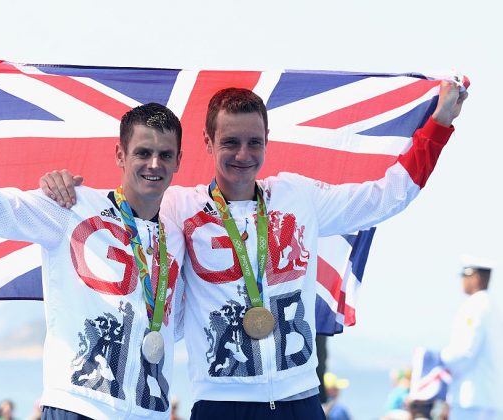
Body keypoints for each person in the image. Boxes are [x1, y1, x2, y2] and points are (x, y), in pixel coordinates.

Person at [43, 79, 466, 419]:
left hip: (299, 396)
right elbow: (128, 202)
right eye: (230, 143)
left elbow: (386, 196)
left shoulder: (298, 198)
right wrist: (63, 186)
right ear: (208, 144)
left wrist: (440, 124)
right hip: (220, 402)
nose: (243, 155)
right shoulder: (177, 206)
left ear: (267, 141)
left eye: (254, 142)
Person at [0, 62, 186, 420]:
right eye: (143, 152)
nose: (154, 163)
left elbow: (177, 326)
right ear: (120, 155)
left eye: (165, 154)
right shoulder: (71, 207)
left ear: (179, 160)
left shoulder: (177, 233)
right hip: (78, 407)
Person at [440, 258, 503, 419]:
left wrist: (438, 359)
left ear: (476, 278)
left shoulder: (475, 306)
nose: (462, 280)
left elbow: (465, 351)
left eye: (465, 275)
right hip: (488, 398)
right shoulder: (491, 306)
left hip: (471, 398)